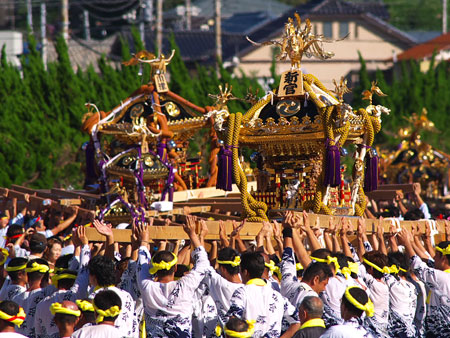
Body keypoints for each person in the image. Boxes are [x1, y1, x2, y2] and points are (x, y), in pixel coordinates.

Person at [136, 216, 210, 337]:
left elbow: (142, 266)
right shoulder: (185, 285)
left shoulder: (146, 286)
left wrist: (144, 241)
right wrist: (193, 235)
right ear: (175, 268)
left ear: (154, 269)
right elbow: (203, 264)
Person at [226, 251, 300, 338]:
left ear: (245, 272)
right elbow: (297, 321)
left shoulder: (242, 293)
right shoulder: (277, 296)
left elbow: (232, 323)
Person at [398, 229, 450, 337]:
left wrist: (407, 243)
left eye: (436, 255)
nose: (433, 257)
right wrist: (413, 242)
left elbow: (419, 267)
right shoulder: (443, 275)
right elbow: (428, 262)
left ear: (444, 258)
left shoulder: (442, 278)